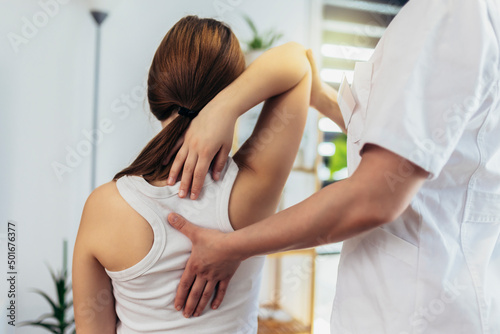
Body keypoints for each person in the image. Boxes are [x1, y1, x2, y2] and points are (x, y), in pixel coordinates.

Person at [165, 1, 500, 333]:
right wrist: (321, 98)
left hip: (420, 310)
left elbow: (375, 196)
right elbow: (410, 139)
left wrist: (229, 247)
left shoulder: (453, 10)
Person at [72, 16, 318, 333]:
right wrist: (227, 107)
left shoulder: (103, 206)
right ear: (236, 90)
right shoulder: (250, 185)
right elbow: (297, 61)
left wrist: (220, 107)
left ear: (154, 96)